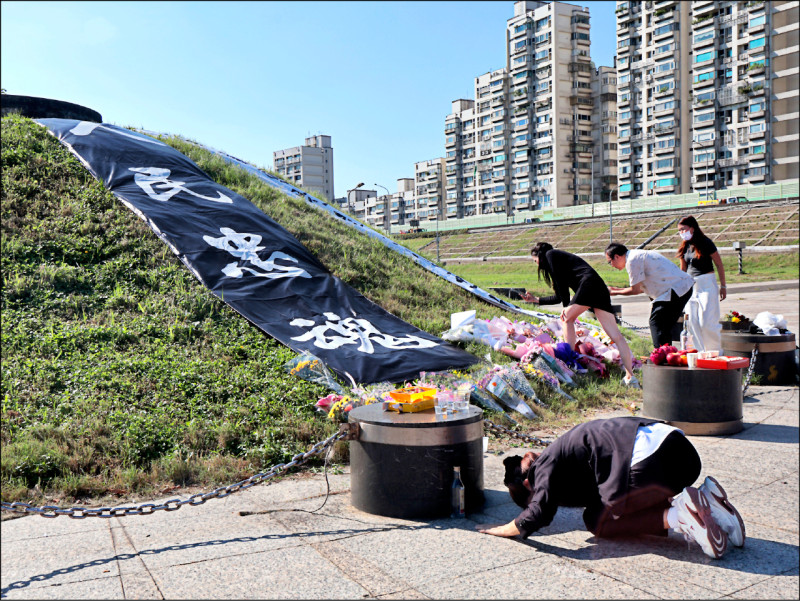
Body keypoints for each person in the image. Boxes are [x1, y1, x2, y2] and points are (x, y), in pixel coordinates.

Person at [476, 416, 745, 560]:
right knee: (595, 515)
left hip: (649, 463)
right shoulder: (565, 454)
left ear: (527, 484)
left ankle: (682, 516)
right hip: (682, 455)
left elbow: (538, 514)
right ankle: (708, 501)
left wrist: (501, 529)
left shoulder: (542, 466)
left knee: (600, 523)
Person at [521, 242, 639, 389]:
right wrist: (537, 300)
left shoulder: (550, 255)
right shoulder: (558, 259)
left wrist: (568, 311)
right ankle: (630, 377)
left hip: (589, 285)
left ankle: (568, 360)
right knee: (616, 336)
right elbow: (561, 297)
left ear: (539, 256)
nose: (536, 264)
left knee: (566, 318)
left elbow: (564, 298)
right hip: (598, 287)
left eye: (535, 261)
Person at [605, 242, 695, 349]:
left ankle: (661, 354)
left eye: (610, 262)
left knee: (656, 322)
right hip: (680, 288)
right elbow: (641, 289)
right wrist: (616, 289)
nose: (611, 265)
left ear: (617, 257)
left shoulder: (632, 261)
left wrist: (614, 292)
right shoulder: (635, 256)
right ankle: (666, 354)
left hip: (676, 289)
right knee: (663, 325)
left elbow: (634, 290)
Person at [676, 215, 726, 353]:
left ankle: (714, 351)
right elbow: (683, 270)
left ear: (692, 228)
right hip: (691, 286)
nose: (681, 233)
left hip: (707, 284)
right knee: (692, 323)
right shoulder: (684, 246)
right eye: (679, 230)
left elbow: (719, 264)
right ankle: (699, 352)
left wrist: (723, 286)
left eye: (683, 229)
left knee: (707, 322)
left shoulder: (705, 242)